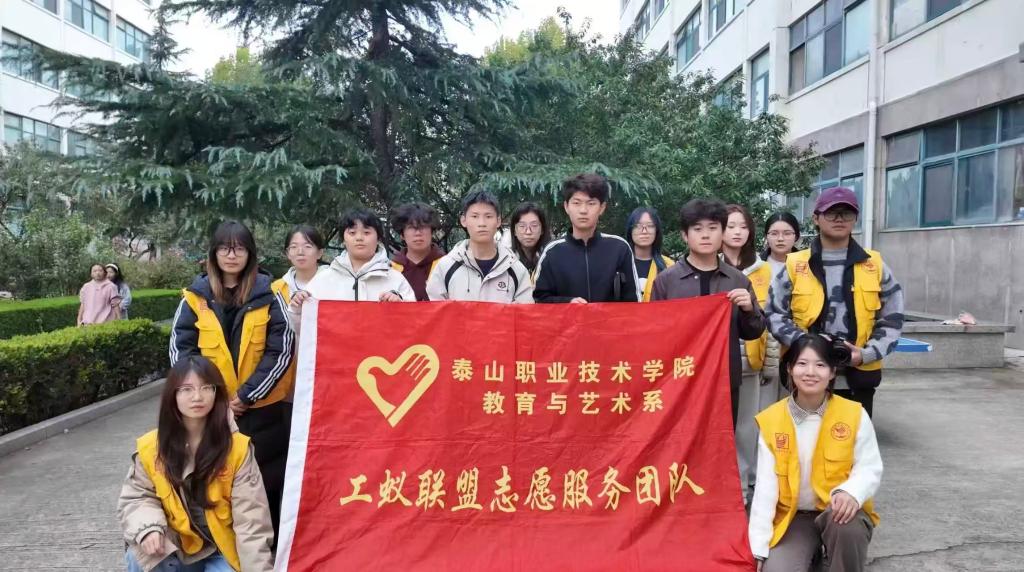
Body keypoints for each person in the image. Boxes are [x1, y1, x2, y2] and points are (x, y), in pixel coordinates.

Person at [168, 220, 294, 540]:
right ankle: (221, 549)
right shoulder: (194, 298)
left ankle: (267, 551)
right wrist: (216, 399)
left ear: (250, 254)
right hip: (210, 412)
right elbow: (182, 353)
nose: (232, 255)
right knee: (214, 482)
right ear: (214, 254)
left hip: (262, 412)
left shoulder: (270, 294)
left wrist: (246, 396)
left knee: (266, 485)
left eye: (239, 249)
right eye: (225, 248)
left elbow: (281, 350)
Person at [118, 356, 274, 572]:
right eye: (186, 389)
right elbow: (137, 497)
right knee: (140, 555)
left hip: (221, 550)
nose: (197, 397)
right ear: (172, 395)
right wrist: (149, 528)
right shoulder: (151, 447)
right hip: (176, 548)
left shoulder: (237, 448)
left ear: (217, 393)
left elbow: (252, 522)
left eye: (206, 388)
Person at [765, 187, 904, 417]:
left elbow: (893, 318)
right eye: (831, 213)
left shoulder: (874, 264)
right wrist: (806, 346)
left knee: (853, 438)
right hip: (806, 377)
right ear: (816, 218)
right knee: (805, 437)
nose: (839, 219)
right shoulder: (796, 265)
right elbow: (774, 313)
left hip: (859, 377)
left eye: (846, 213)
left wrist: (866, 354)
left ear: (855, 218)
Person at [748, 334, 882, 572]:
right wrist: (758, 545)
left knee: (847, 528)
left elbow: (869, 467)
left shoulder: (853, 414)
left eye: (820, 365)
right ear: (789, 369)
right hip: (795, 517)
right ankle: (814, 558)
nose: (810, 372)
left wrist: (851, 493)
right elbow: (765, 489)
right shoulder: (772, 420)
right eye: (802, 363)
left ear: (832, 372)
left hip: (838, 512)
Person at [651, 199, 765, 425]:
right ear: (685, 235)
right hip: (679, 382)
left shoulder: (737, 280)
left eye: (713, 228)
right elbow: (655, 334)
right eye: (697, 229)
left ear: (722, 233)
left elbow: (753, 332)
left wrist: (749, 309)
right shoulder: (667, 281)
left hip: (724, 380)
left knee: (722, 440)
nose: (705, 235)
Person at [721, 204, 781, 501]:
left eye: (743, 227)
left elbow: (772, 318)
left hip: (751, 362)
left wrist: (770, 364)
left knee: (747, 428)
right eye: (731, 226)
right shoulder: (710, 267)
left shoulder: (764, 269)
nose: (737, 232)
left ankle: (742, 488)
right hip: (717, 362)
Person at [288, 208, 415, 330]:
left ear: (378, 239)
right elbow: (303, 331)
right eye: (352, 233)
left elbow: (412, 326)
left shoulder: (395, 279)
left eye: (366, 232)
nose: (359, 238)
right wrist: (298, 309)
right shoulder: (323, 279)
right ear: (343, 239)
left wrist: (400, 307)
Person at [533, 174, 640, 303]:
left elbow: (633, 303)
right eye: (576, 203)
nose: (583, 210)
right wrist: (568, 303)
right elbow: (538, 300)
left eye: (591, 203)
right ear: (566, 207)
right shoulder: (552, 252)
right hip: (568, 317)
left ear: (602, 208)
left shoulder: (619, 249)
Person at [426, 191, 533, 303]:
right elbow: (433, 310)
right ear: (463, 220)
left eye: (488, 216)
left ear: (498, 221)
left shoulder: (516, 269)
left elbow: (526, 311)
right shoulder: (445, 266)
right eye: (475, 216)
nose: (482, 223)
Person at [272, 225, 326, 402]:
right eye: (294, 247)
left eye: (308, 246)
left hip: (324, 371)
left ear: (320, 253)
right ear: (287, 253)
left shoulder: (333, 283)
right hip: (286, 373)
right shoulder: (276, 288)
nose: (300, 252)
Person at [390, 202, 445, 301]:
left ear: (432, 232)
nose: (418, 233)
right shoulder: (391, 268)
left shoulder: (446, 264)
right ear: (402, 235)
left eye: (423, 227)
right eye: (411, 228)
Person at [625, 207, 674, 302]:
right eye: (638, 226)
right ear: (630, 230)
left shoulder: (669, 266)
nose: (644, 231)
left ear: (657, 231)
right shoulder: (619, 264)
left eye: (650, 226)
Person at [509, 202, 552, 278]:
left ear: (542, 229)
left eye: (534, 226)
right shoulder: (506, 260)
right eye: (522, 226)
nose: (528, 232)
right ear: (514, 231)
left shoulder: (551, 257)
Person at [760, 211, 802, 281]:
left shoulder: (809, 265)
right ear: (766, 236)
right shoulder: (754, 265)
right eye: (774, 233)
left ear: (796, 236)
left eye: (787, 233)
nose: (780, 239)